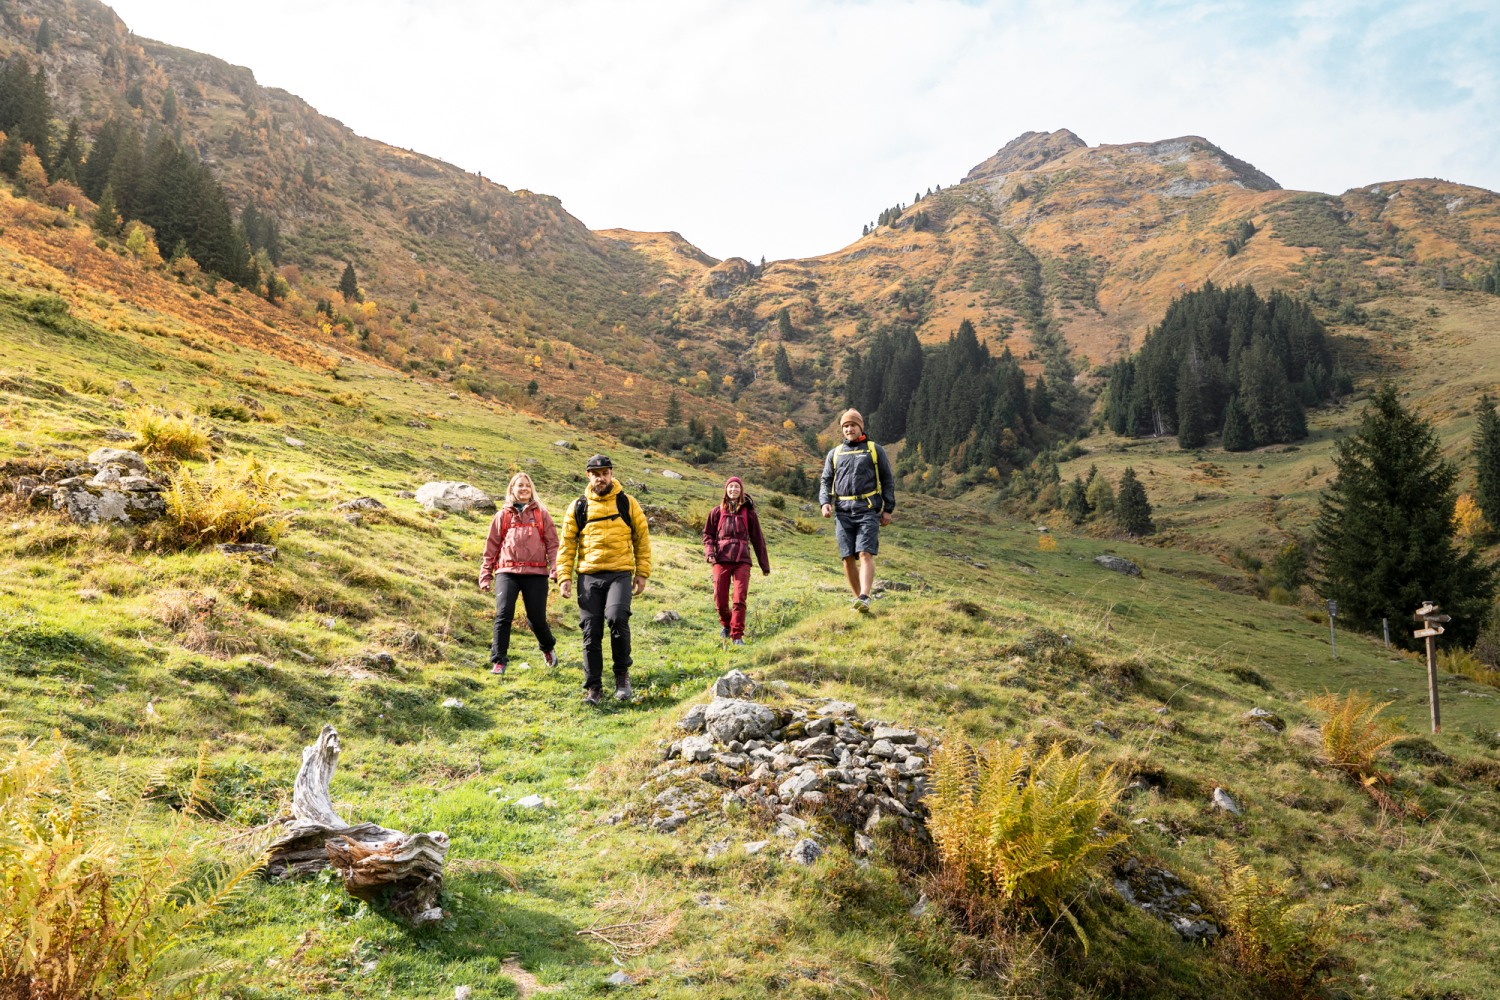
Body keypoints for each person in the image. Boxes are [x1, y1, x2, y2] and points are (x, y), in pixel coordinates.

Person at [555, 454, 652, 705]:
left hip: (620, 573)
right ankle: (594, 688)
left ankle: (622, 676)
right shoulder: (578, 506)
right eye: (596, 474)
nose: (601, 478)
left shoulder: (627, 503)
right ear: (589, 476)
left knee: (617, 618)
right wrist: (564, 576)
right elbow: (567, 545)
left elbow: (642, 539)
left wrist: (642, 573)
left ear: (611, 474)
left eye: (605, 473)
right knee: (591, 631)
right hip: (588, 575)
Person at [477, 472, 559, 676]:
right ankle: (498, 661)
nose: (523, 489)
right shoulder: (502, 515)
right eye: (519, 486)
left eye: (527, 486)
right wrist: (486, 573)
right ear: (512, 489)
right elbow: (491, 547)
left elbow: (553, 545)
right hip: (507, 571)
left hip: (537, 572)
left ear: (531, 490)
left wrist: (556, 568)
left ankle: (547, 647)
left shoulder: (542, 514)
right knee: (503, 615)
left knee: (536, 618)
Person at [819, 408, 895, 613]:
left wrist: (888, 508)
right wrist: (824, 502)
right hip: (842, 512)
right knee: (847, 557)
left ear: (860, 427)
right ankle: (858, 600)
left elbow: (887, 479)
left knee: (864, 553)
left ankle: (865, 596)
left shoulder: (874, 449)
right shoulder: (834, 454)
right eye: (845, 426)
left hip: (868, 510)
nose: (849, 429)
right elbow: (826, 480)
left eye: (852, 425)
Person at [702, 475, 770, 645]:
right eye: (730, 487)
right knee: (720, 598)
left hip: (742, 560)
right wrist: (710, 552)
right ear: (726, 490)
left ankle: (737, 635)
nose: (733, 490)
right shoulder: (716, 512)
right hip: (721, 559)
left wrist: (764, 565)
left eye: (736, 487)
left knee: (739, 598)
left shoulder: (750, 514)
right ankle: (726, 624)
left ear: (741, 491)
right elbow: (708, 535)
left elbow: (758, 540)